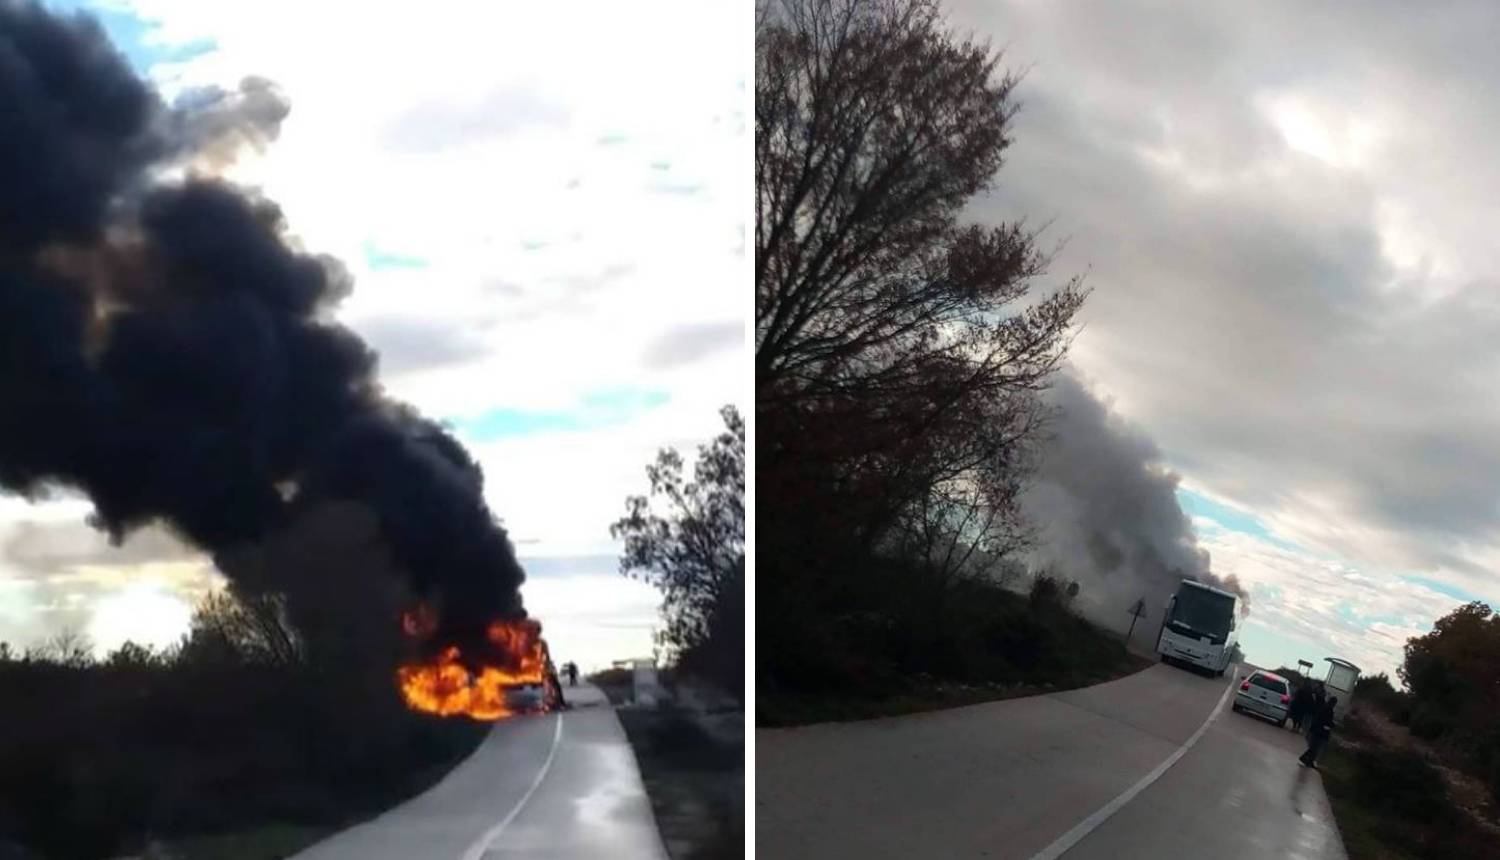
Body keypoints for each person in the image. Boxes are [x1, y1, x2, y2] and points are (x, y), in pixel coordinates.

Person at [1299, 696, 1337, 768]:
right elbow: (1326, 720)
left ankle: (1308, 761)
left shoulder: (1325, 708)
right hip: (1320, 731)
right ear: (1333, 703)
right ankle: (1305, 759)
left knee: (1315, 748)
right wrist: (1332, 725)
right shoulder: (1328, 710)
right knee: (1315, 748)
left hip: (1318, 730)